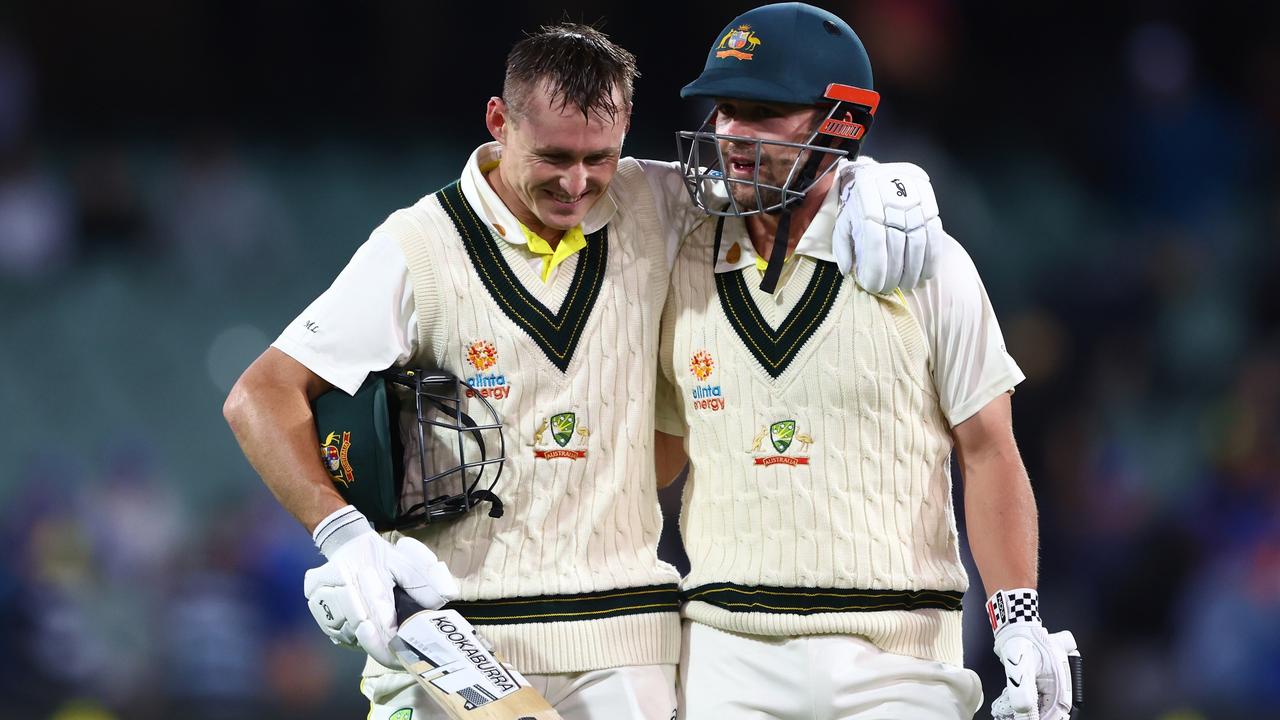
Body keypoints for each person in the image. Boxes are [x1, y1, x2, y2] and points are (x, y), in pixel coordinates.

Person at [223, 22, 947, 720]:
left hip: (626, 642)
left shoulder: (659, 203)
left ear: (628, 126)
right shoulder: (420, 246)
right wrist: (343, 535)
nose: (577, 183)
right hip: (454, 637)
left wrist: (877, 179)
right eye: (554, 157)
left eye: (599, 158)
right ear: (498, 119)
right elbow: (260, 395)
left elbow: (788, 174)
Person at [655, 4, 1081, 720]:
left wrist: (1019, 620)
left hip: (900, 660)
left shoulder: (928, 265)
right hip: (727, 654)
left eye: (763, 112)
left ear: (842, 122)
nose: (730, 134)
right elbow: (661, 455)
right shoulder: (680, 261)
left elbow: (990, 453)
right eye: (724, 109)